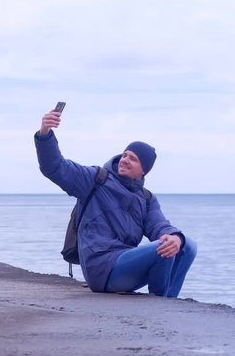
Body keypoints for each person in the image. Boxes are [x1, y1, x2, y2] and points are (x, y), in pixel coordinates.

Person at [34, 107, 197, 297]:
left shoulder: (146, 198)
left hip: (126, 265)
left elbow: (159, 226)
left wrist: (175, 237)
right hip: (100, 267)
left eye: (133, 159)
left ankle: (168, 300)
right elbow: (54, 167)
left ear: (143, 171)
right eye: (125, 155)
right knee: (162, 248)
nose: (125, 160)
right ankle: (160, 304)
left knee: (187, 246)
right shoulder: (95, 179)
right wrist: (44, 134)